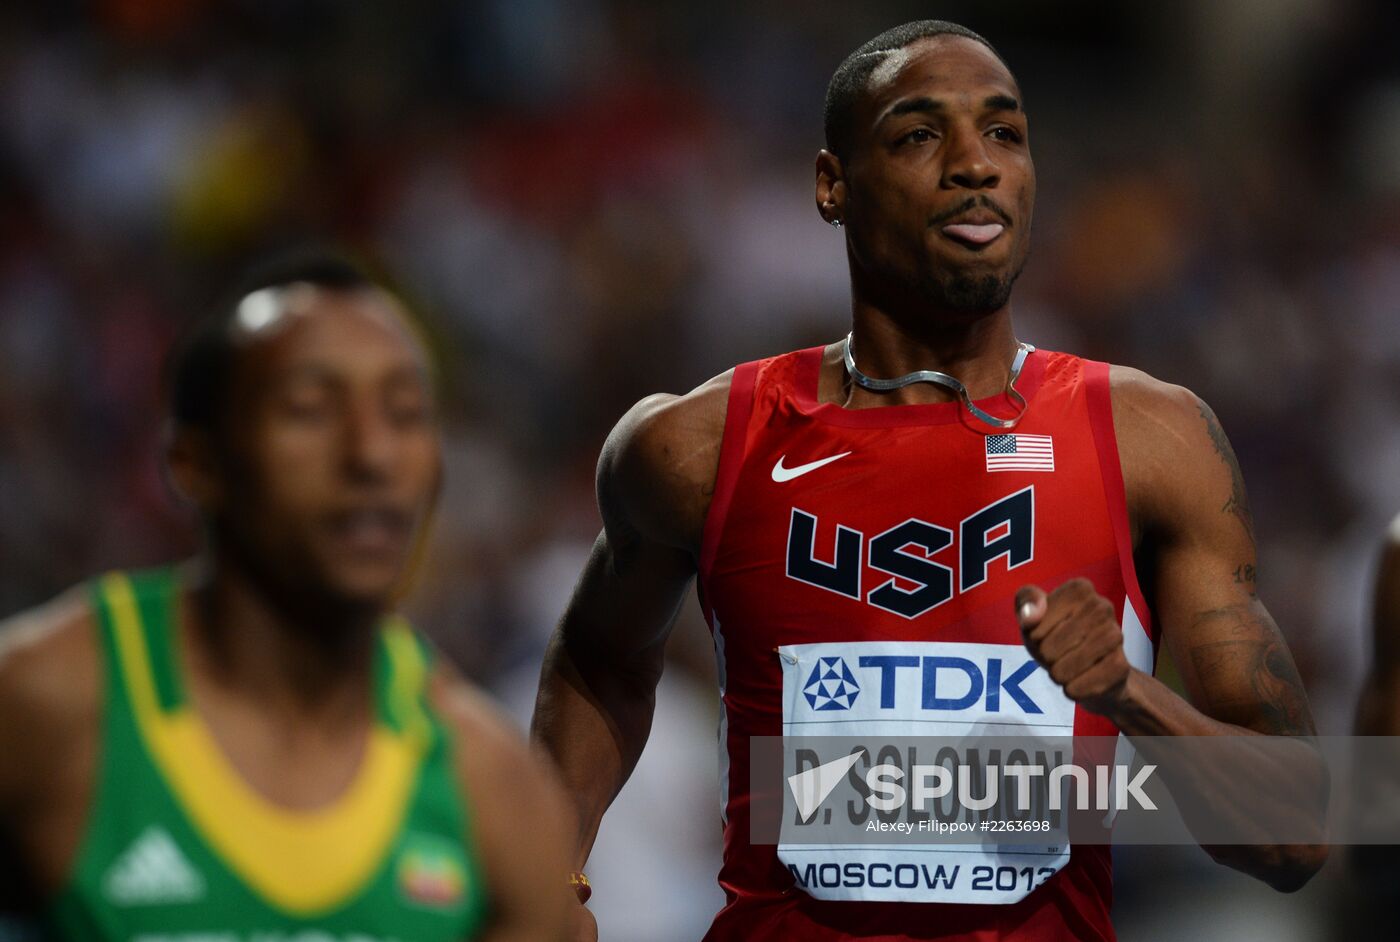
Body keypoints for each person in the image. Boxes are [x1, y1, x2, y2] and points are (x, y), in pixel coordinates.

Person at [532, 20, 1326, 941]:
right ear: (832, 186)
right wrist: (551, 875)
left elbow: (1297, 835)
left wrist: (1127, 694)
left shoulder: (1151, 440)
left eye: (1004, 133)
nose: (976, 165)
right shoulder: (698, 445)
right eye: (919, 135)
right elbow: (599, 661)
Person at [0, 255, 573, 941]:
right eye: (309, 409)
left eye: (406, 413)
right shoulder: (44, 706)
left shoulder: (494, 793)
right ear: (195, 463)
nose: (372, 455)